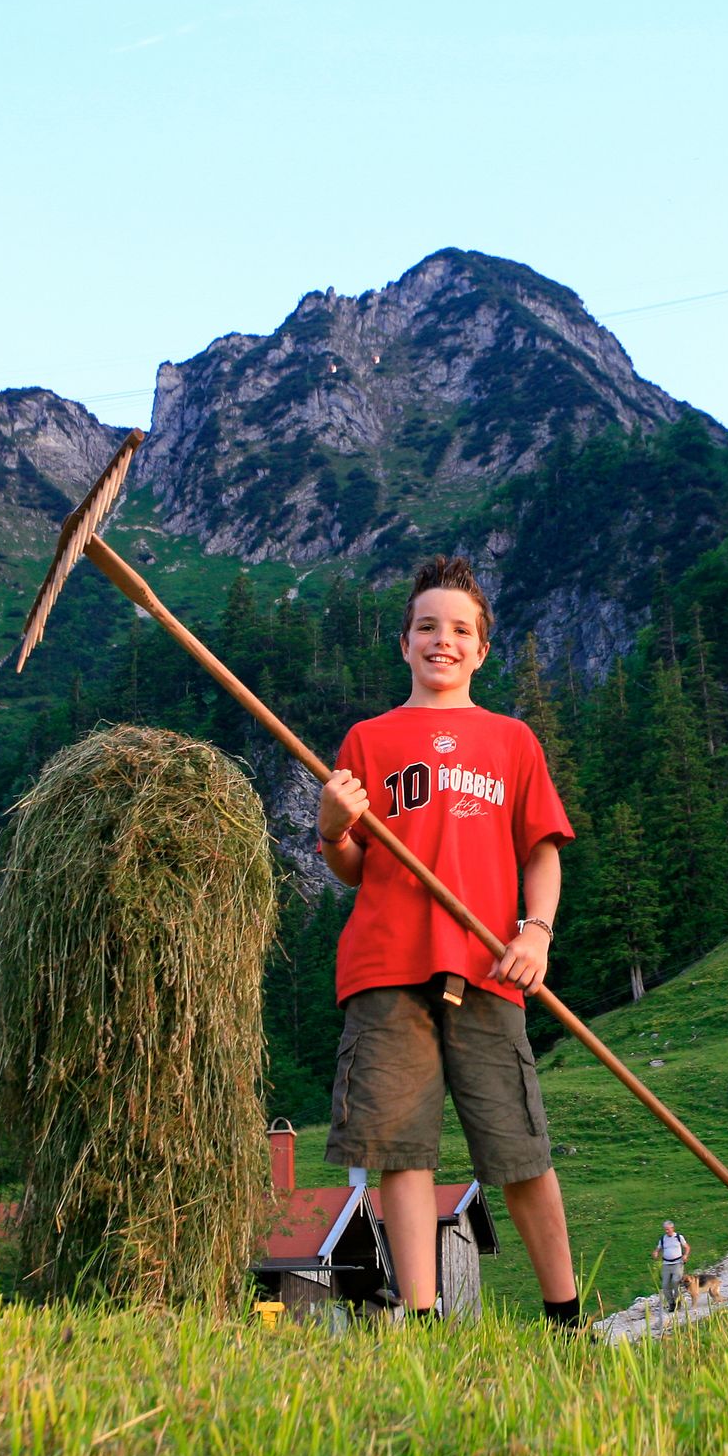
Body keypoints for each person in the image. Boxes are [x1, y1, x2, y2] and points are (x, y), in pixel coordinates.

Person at [317, 556, 582, 1327]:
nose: (444, 640)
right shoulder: (368, 740)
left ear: (481, 650)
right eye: (428, 627)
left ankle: (566, 1321)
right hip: (386, 966)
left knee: (520, 1149)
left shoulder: (512, 741)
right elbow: (353, 866)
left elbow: (541, 851)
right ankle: (424, 1323)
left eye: (460, 629)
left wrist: (535, 933)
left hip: (490, 968)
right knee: (402, 1150)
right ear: (404, 643)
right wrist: (334, 831)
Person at [655, 1220, 691, 1312]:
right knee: (665, 1285)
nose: (666, 1231)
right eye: (665, 1229)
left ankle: (677, 1301)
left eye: (668, 1229)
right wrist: (656, 1252)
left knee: (676, 1282)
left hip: (678, 1263)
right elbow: (658, 1248)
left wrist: (685, 1255)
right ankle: (671, 1303)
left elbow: (687, 1247)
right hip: (666, 1264)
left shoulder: (679, 1237)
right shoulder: (663, 1239)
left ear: (672, 1228)